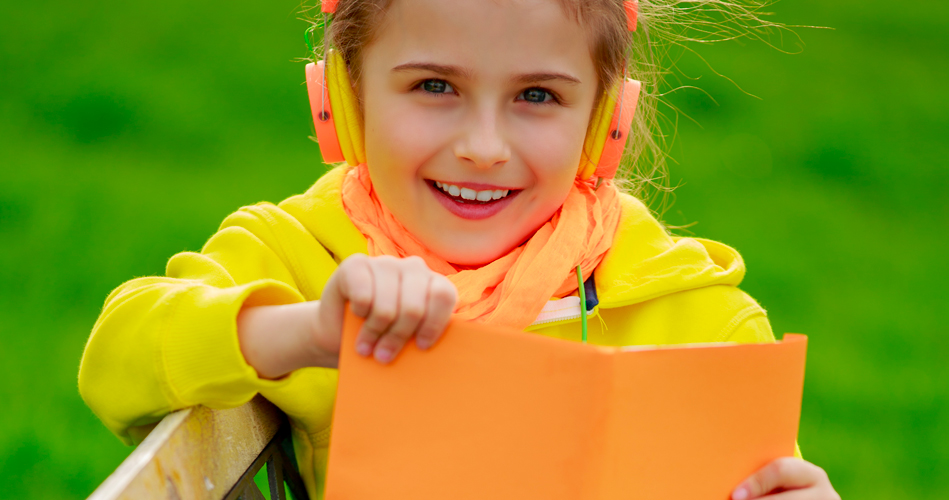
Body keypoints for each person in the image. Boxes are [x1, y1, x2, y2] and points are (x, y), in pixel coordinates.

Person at [79, 0, 840, 499]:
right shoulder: (304, 253)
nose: (482, 147)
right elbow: (118, 355)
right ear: (343, 99)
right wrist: (310, 330)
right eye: (435, 86)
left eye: (536, 96)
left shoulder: (692, 311)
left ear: (603, 122)